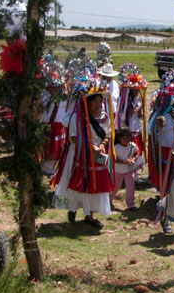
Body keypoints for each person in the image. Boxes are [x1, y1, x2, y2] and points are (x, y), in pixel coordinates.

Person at [52, 76, 115, 229]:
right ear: (87, 102)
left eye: (101, 101)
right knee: (77, 181)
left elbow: (107, 134)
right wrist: (89, 148)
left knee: (95, 184)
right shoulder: (77, 118)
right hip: (79, 155)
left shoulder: (104, 117)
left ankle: (90, 215)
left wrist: (101, 146)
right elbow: (73, 138)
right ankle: (73, 208)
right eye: (96, 101)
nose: (99, 104)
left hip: (97, 156)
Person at [111, 128, 139, 210]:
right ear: (119, 138)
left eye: (128, 138)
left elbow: (136, 153)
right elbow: (114, 159)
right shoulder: (116, 148)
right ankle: (109, 199)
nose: (126, 140)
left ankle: (131, 204)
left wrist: (133, 159)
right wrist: (124, 161)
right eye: (124, 139)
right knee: (115, 187)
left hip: (129, 170)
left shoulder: (132, 145)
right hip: (118, 171)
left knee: (131, 187)